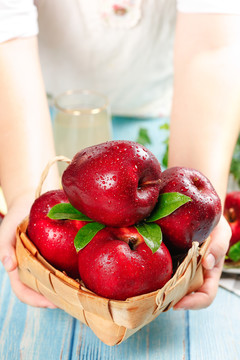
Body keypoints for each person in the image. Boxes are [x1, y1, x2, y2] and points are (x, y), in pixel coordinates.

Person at [0, 0, 239, 310]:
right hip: (40, 112)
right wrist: (25, 191)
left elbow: (212, 49)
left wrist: (196, 222)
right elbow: (7, 34)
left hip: (166, 113)